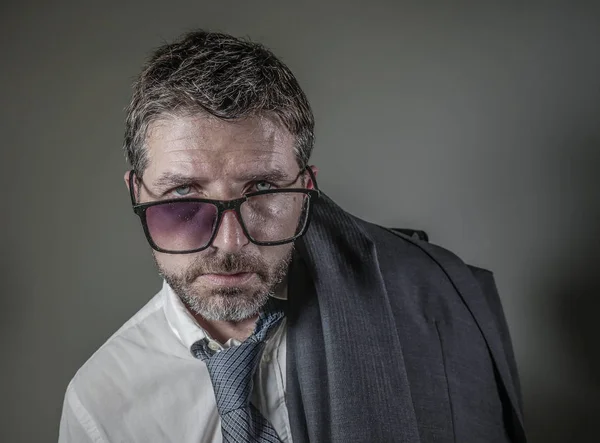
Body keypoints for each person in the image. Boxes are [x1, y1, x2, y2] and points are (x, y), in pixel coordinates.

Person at [59, 30, 526, 443]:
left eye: (262, 189)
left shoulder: (430, 306)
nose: (230, 242)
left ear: (306, 191)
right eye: (183, 192)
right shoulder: (101, 405)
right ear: (137, 194)